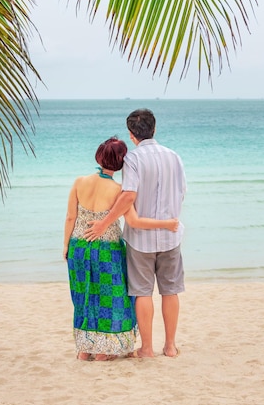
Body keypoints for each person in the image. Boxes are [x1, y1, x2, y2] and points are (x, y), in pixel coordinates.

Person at [63, 136, 178, 362]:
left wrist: (66, 245)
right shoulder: (118, 190)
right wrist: (167, 224)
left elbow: (70, 217)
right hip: (108, 251)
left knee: (84, 296)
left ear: (98, 155)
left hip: (79, 246)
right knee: (111, 298)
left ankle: (85, 349)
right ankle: (104, 351)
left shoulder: (79, 182)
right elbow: (134, 222)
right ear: (122, 162)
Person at [84, 108, 186, 359]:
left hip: (141, 241)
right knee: (169, 290)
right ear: (155, 129)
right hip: (171, 235)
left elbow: (128, 195)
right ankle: (170, 346)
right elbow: (182, 191)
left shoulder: (133, 159)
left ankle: (148, 348)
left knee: (142, 292)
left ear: (132, 135)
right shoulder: (174, 156)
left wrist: (104, 224)